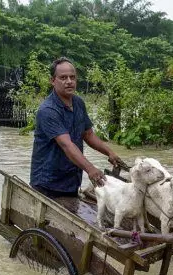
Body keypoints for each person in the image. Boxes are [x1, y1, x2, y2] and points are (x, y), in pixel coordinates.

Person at [30, 57, 122, 198]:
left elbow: (88, 135)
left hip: (71, 181)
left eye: (72, 77)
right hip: (47, 184)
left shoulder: (78, 103)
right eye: (63, 77)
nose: (69, 81)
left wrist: (110, 152)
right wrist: (90, 168)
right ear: (52, 80)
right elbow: (66, 145)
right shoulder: (48, 110)